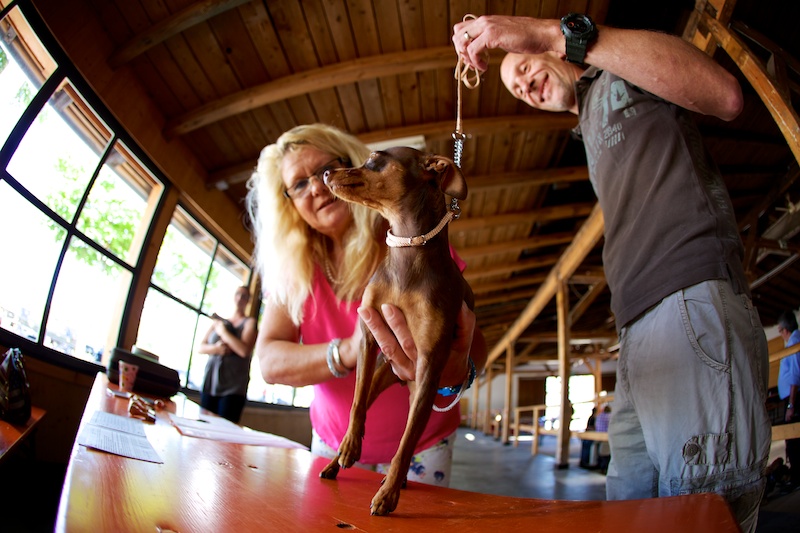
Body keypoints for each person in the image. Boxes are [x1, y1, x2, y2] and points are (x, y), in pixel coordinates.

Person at [452, 14, 770, 531]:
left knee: (701, 508)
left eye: (526, 66)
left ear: (552, 52)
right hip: (636, 332)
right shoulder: (589, 122)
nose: (524, 86)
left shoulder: (617, 67)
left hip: (687, 295)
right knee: (629, 511)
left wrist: (552, 34)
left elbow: (725, 95)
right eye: (514, 88)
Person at [245, 123, 487, 487]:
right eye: (298, 183)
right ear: (289, 202)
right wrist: (350, 350)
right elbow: (270, 362)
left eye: (326, 167)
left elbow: (473, 343)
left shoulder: (417, 240)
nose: (316, 185)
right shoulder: (293, 271)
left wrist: (458, 375)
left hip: (424, 446)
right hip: (333, 440)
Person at [197, 285, 258, 423]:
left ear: (248, 300)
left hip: (233, 388)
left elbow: (243, 350)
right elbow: (201, 347)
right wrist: (217, 349)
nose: (240, 298)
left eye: (244, 296)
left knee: (224, 431)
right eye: (238, 294)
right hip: (210, 383)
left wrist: (224, 333)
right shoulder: (218, 323)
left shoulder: (249, 322)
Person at [777, 310, 800, 490]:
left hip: (794, 397)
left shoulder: (793, 343)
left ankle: (797, 477)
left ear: (785, 329)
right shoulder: (794, 341)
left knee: (793, 439)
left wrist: (791, 404)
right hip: (793, 396)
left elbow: (795, 375)